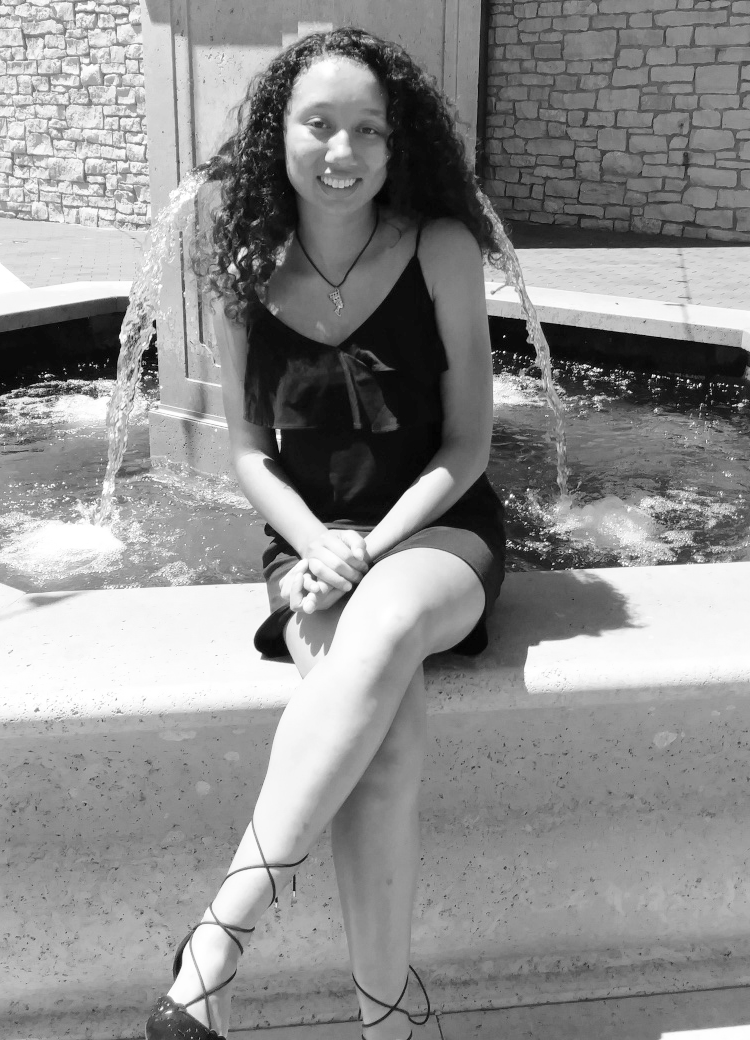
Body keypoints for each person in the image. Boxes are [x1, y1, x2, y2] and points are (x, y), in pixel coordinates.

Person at [145, 26, 506, 1040]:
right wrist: (315, 544)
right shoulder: (244, 264)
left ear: (398, 143)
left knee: (383, 618)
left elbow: (469, 446)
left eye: (368, 129)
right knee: (383, 750)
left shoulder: (440, 248)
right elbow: (247, 452)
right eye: (319, 124)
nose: (343, 151)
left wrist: (368, 547)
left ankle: (216, 943)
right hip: (309, 544)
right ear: (280, 134)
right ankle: (388, 1019)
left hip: (434, 530)